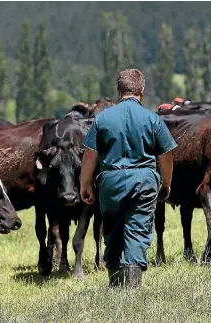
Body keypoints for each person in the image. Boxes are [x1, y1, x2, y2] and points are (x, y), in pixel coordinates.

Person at [80, 69, 177, 290]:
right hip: (143, 181)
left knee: (112, 231)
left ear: (118, 91)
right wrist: (166, 183)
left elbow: (89, 155)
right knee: (138, 230)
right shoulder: (152, 118)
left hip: (110, 181)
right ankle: (131, 291)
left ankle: (115, 287)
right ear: (141, 90)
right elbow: (167, 155)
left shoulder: (102, 118)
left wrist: (85, 184)